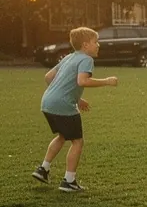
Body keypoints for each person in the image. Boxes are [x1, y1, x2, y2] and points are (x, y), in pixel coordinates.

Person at [32, 27, 118, 192]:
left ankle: (43, 169)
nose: (98, 45)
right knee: (77, 141)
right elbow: (82, 81)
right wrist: (107, 81)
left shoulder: (69, 57)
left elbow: (48, 77)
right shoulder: (86, 59)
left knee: (63, 136)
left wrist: (76, 99)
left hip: (48, 102)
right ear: (86, 45)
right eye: (95, 42)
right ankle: (68, 181)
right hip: (63, 104)